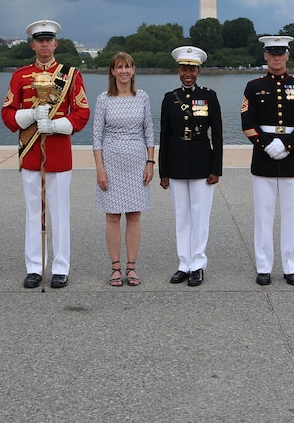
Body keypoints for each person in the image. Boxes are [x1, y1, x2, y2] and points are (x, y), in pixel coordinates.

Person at [2, 19, 90, 289]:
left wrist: (56, 125)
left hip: (59, 153)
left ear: (55, 44)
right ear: (32, 45)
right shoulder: (20, 76)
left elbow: (82, 113)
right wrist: (29, 115)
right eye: (39, 40)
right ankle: (34, 267)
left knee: (60, 212)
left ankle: (61, 267)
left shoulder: (71, 75)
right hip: (30, 154)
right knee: (32, 212)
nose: (43, 44)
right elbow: (7, 114)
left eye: (47, 40)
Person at [241, 36, 294, 286]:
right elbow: (247, 122)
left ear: (287, 55)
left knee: (292, 215)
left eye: (280, 53)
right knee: (263, 216)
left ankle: (291, 267)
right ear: (265, 56)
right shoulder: (253, 86)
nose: (276, 57)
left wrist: (286, 144)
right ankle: (264, 266)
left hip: (293, 157)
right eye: (272, 53)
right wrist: (266, 144)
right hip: (263, 158)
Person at [158, 46, 223, 287]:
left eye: (192, 69)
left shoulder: (209, 96)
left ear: (199, 71)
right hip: (175, 161)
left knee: (200, 215)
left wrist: (216, 168)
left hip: (201, 161)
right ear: (178, 71)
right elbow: (164, 136)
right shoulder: (168, 98)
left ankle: (198, 263)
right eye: (184, 69)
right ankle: (183, 264)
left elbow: (217, 134)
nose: (188, 73)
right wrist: (163, 172)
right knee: (181, 216)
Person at [91, 52, 155, 287]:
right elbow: (96, 137)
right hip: (111, 160)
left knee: (135, 216)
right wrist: (100, 169)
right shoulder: (103, 99)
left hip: (137, 160)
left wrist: (150, 162)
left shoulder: (143, 97)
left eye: (128, 66)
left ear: (134, 70)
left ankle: (132, 267)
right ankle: (115, 267)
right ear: (112, 71)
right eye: (119, 67)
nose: (124, 71)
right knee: (112, 217)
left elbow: (149, 131)